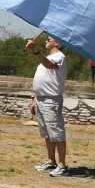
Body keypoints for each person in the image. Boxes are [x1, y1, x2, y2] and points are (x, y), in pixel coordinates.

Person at [25, 34, 69, 177]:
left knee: (56, 133)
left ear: (57, 43)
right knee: (47, 134)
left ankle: (62, 165)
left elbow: (49, 65)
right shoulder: (47, 58)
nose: (46, 40)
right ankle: (51, 160)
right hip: (41, 99)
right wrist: (34, 99)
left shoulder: (59, 57)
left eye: (49, 39)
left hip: (51, 100)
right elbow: (41, 79)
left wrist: (35, 50)